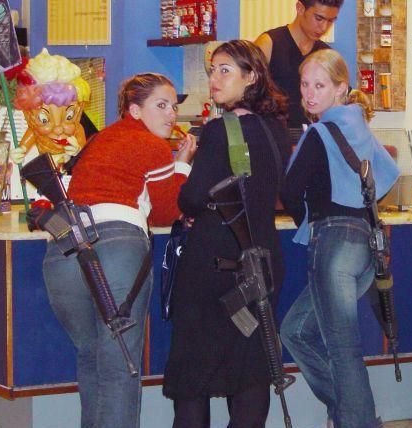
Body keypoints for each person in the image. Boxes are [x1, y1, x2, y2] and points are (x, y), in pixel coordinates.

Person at [38, 73, 196, 428]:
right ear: (134, 110)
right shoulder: (152, 144)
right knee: (119, 366)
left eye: (173, 107)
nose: (171, 114)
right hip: (116, 250)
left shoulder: (99, 140)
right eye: (161, 105)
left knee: (91, 357)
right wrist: (183, 163)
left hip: (63, 252)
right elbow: (167, 211)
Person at [163, 40, 290, 427]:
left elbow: (191, 198)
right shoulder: (276, 130)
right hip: (262, 263)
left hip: (214, 267)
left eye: (225, 70)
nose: (214, 79)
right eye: (212, 71)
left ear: (250, 77)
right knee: (251, 372)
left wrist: (182, 165)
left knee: (193, 377)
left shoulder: (219, 131)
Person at [280, 49, 399, 428]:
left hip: (332, 246)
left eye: (320, 86)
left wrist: (309, 221)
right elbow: (388, 175)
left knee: (342, 348)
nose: (309, 93)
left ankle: (358, 421)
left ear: (340, 89)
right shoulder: (360, 127)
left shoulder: (318, 133)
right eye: (305, 84)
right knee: (295, 331)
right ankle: (349, 412)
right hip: (366, 248)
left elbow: (289, 189)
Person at [254, 0, 343, 130]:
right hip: (272, 135)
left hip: (311, 136)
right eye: (319, 18)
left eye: (330, 21)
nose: (324, 28)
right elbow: (247, 95)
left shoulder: (326, 54)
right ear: (300, 8)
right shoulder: (268, 44)